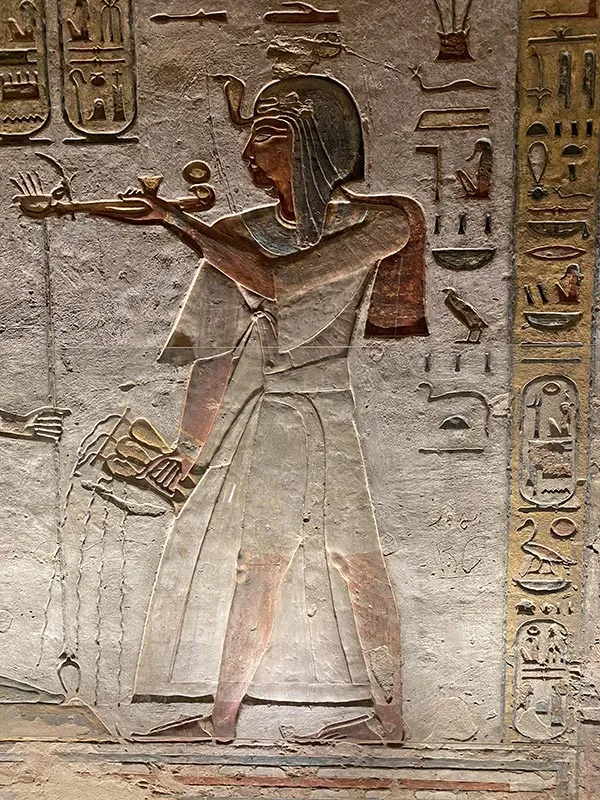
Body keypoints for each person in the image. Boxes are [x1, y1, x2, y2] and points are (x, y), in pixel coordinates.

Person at [15, 74, 428, 743]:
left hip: (327, 412)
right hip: (270, 418)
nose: (248, 154)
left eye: (266, 135)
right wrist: (186, 448)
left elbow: (281, 281)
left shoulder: (382, 222)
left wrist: (177, 220)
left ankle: (388, 721)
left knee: (358, 562)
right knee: (258, 565)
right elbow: (214, 356)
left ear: (314, 141)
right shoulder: (238, 232)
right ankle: (223, 718)